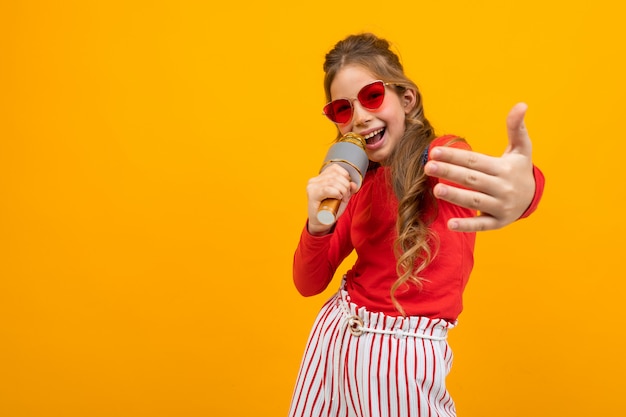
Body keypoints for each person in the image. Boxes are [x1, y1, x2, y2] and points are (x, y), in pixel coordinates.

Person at [288, 33, 545, 417]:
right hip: (334, 342)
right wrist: (317, 222)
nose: (359, 116)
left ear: (406, 99)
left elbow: (500, 183)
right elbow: (308, 283)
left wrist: (523, 191)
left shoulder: (442, 158)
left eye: (372, 96)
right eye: (342, 109)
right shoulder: (357, 185)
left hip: (400, 363)